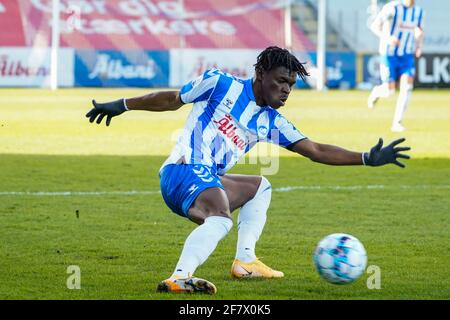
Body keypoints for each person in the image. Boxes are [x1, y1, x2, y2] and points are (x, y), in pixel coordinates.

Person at [86, 46, 410, 295]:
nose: (286, 90)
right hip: (182, 170)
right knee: (221, 217)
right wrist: (123, 104)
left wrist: (366, 157)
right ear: (260, 74)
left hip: (208, 179)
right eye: (281, 81)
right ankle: (180, 277)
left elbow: (315, 150)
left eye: (291, 85)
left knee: (260, 186)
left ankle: (245, 261)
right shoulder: (218, 83)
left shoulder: (271, 121)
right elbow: (172, 99)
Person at [367, 0, 425, 132]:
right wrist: (387, 38)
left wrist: (419, 46)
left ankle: (397, 123)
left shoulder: (419, 12)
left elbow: (419, 30)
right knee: (389, 91)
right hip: (389, 54)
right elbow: (375, 26)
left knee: (407, 87)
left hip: (407, 55)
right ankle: (376, 92)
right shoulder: (391, 8)